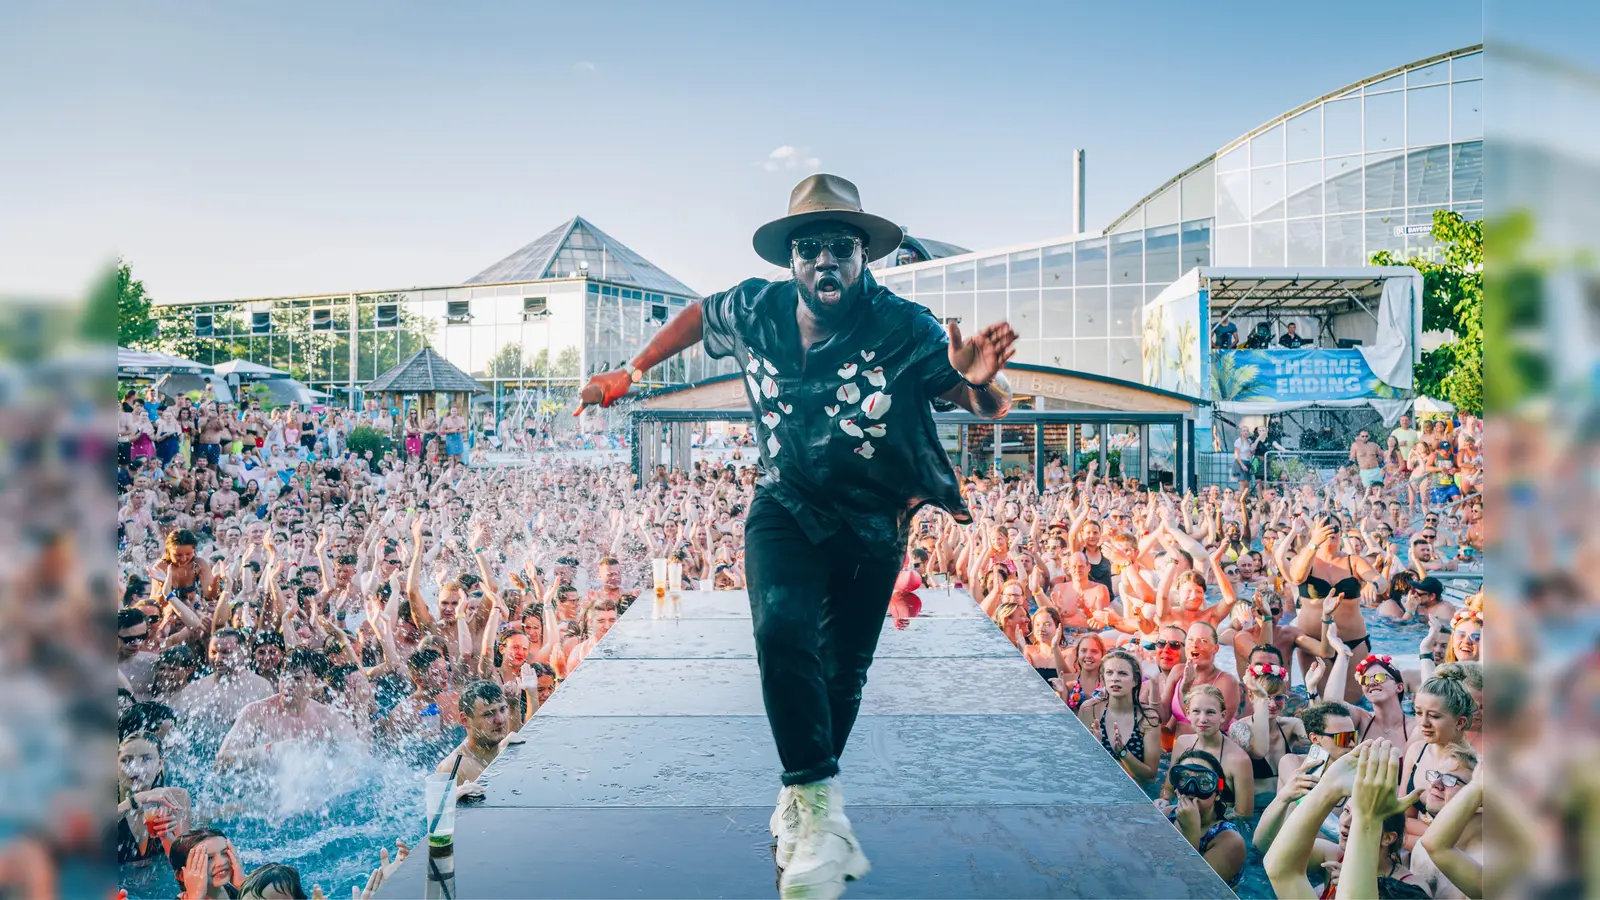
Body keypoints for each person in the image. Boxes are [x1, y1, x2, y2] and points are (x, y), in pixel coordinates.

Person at [577, 173, 1018, 900]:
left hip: (873, 522)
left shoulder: (902, 325)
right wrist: (633, 369)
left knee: (843, 672)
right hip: (786, 502)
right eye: (810, 249)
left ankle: (802, 800)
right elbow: (698, 314)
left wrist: (979, 384)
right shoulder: (757, 308)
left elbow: (980, 399)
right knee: (780, 628)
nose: (825, 261)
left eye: (840, 247)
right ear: (792, 260)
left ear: (862, 257)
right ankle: (817, 815)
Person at [215, 649, 359, 770]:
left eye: (297, 679)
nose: (288, 684)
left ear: (313, 682)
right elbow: (221, 762)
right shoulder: (257, 711)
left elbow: (358, 759)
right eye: (285, 676)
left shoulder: (327, 717)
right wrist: (270, 751)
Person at [1165, 748, 1246, 890]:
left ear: (1217, 793)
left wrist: (1191, 831)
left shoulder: (1231, 841)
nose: (1191, 789)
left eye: (1204, 782)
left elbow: (1191, 890)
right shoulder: (1167, 815)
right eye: (1184, 778)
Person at [436, 681, 515, 801]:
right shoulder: (453, 769)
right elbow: (437, 811)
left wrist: (515, 705)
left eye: (503, 709)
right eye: (489, 714)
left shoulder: (505, 747)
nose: (500, 720)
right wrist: (453, 802)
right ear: (465, 720)